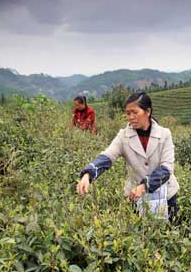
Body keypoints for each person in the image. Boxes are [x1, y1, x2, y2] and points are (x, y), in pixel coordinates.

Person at [76, 92, 179, 223]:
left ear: (148, 111)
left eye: (135, 112)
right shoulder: (123, 136)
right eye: (128, 113)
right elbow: (107, 156)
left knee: (168, 234)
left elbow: (166, 168)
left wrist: (145, 186)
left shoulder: (164, 134)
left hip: (166, 195)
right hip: (135, 197)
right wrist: (88, 174)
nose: (131, 117)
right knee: (140, 237)